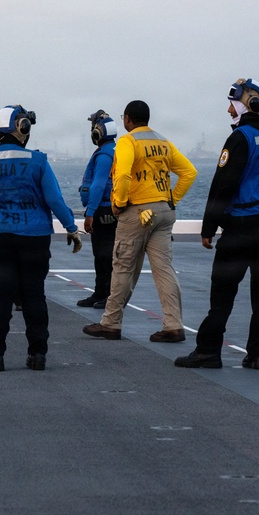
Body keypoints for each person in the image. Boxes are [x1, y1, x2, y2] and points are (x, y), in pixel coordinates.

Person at [175, 79, 259, 370]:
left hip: (242, 228)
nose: (230, 110)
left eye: (233, 104)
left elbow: (223, 185)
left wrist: (208, 228)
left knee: (222, 293)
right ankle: (257, 355)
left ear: (248, 103)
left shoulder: (242, 137)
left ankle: (208, 352)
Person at [0, 105, 82, 372]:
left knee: (1, 295)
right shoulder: (38, 161)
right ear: (23, 129)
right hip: (35, 236)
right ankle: (37, 356)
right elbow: (54, 199)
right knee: (34, 295)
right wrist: (71, 227)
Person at [83, 100, 197, 343]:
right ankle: (173, 325)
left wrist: (120, 203)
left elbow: (122, 174)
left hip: (137, 212)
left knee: (123, 265)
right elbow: (189, 172)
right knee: (164, 269)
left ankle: (111, 323)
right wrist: (171, 199)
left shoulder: (128, 141)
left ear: (127, 120)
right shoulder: (163, 141)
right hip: (164, 212)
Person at [76, 110, 119, 309]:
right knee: (102, 254)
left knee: (104, 255)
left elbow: (99, 184)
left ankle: (106, 295)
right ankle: (100, 293)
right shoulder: (111, 150)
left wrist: (90, 212)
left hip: (103, 210)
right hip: (107, 209)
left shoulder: (104, 154)